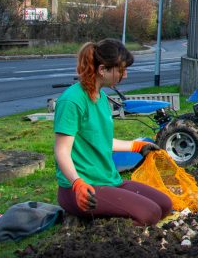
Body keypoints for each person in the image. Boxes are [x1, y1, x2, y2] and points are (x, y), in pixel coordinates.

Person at [53, 39, 172, 225]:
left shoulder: (100, 96)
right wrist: (77, 184)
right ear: (103, 70)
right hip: (82, 190)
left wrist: (137, 146)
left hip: (108, 179)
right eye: (121, 70)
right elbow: (61, 151)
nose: (125, 75)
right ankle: (108, 236)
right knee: (151, 213)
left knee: (165, 205)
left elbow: (101, 140)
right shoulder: (72, 101)